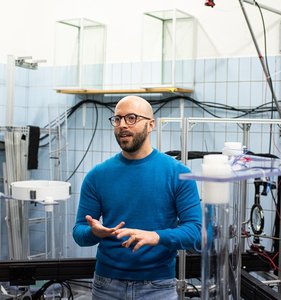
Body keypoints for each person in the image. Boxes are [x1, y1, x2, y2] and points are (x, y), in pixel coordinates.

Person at [72, 95, 202, 300]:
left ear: (151, 125)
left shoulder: (178, 173)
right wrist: (96, 232)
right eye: (118, 119)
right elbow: (79, 232)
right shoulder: (97, 176)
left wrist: (156, 236)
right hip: (107, 285)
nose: (123, 125)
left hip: (158, 287)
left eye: (131, 118)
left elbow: (194, 233)